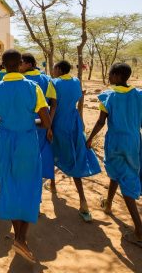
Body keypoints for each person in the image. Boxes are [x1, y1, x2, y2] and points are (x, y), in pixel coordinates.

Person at [0, 49, 52, 263]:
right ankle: (22, 237)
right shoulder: (33, 88)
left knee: (9, 184)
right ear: (21, 63)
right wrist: (29, 122)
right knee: (30, 185)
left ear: (3, 65)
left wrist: (3, 121)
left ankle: (19, 237)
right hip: (27, 141)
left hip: (4, 141)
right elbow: (46, 122)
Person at [87, 63, 142, 247]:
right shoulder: (139, 95)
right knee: (120, 172)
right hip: (134, 141)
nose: (109, 77)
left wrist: (89, 138)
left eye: (110, 74)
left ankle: (139, 230)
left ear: (117, 76)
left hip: (116, 142)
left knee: (125, 179)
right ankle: (108, 204)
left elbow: (101, 122)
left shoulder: (108, 96)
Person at [46, 60, 101, 222]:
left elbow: (53, 107)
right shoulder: (76, 81)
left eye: (55, 68)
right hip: (74, 122)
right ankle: (81, 200)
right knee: (75, 155)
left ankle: (55, 185)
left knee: (53, 151)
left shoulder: (53, 83)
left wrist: (48, 127)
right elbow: (80, 102)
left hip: (59, 123)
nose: (53, 70)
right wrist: (82, 120)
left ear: (59, 69)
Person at [20, 53, 56, 182]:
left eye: (21, 62)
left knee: (28, 154)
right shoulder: (47, 79)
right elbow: (53, 104)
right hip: (44, 122)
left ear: (29, 64)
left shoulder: (21, 82)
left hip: (26, 123)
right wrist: (49, 126)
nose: (19, 65)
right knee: (43, 151)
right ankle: (46, 180)